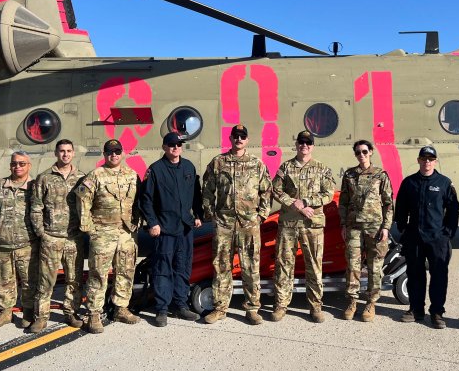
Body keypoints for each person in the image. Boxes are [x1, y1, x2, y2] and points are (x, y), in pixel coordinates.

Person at [201, 124, 272, 325]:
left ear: (247, 140)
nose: (239, 139)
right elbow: (207, 190)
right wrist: (210, 214)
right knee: (221, 265)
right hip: (224, 223)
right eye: (236, 136)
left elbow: (266, 190)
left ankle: (252, 308)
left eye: (243, 136)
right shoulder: (218, 163)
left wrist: (262, 215)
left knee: (251, 265)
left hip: (249, 223)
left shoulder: (256, 164)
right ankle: (220, 308)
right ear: (230, 139)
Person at [77, 139, 142, 333]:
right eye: (110, 152)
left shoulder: (132, 175)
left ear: (122, 153)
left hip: (126, 233)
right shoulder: (94, 175)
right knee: (98, 273)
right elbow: (82, 200)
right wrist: (88, 228)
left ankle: (121, 308)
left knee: (126, 270)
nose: (114, 155)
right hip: (103, 232)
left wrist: (137, 223)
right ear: (104, 155)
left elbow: (139, 201)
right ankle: (94, 313)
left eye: (117, 151)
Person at [139, 132, 203, 327]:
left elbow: (196, 194)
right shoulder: (155, 170)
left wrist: (198, 215)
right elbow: (146, 200)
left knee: (183, 267)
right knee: (162, 269)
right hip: (165, 228)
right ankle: (162, 309)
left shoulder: (188, 167)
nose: (176, 148)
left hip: (184, 227)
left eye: (179, 144)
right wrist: (152, 223)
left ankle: (181, 305)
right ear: (165, 147)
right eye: (172, 145)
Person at [271, 131, 335, 323]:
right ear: (296, 144)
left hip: (312, 224)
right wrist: (293, 203)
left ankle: (315, 306)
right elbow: (275, 189)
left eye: (308, 143)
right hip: (289, 224)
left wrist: (306, 202)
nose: (304, 145)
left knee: (314, 264)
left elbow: (328, 194)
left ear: (312, 146)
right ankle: (281, 304)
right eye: (301, 142)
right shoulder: (286, 167)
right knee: (284, 264)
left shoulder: (322, 169)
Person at [394, 145, 459, 328]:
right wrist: (402, 227)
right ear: (418, 160)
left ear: (435, 161)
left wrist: (448, 233)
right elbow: (401, 206)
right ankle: (416, 309)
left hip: (437, 237)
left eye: (430, 159)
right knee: (415, 273)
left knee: (439, 274)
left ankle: (437, 312)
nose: (427, 162)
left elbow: (453, 209)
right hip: (414, 236)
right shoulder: (409, 182)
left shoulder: (444, 183)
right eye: (424, 159)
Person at [28, 139, 86, 333]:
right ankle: (41, 317)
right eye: (62, 151)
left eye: (69, 151)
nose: (65, 154)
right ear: (56, 153)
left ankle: (71, 312)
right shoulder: (44, 178)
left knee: (74, 279)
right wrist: (41, 233)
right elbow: (36, 208)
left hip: (73, 237)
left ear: (73, 153)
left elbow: (87, 205)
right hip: (51, 237)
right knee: (46, 279)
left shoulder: (82, 177)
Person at [338, 140, 393, 322]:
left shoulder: (380, 175)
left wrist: (386, 227)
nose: (361, 155)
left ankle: (371, 303)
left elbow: (388, 203)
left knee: (374, 266)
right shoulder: (349, 175)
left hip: (374, 228)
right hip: (353, 227)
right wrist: (343, 224)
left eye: (364, 151)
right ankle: (352, 301)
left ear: (371, 152)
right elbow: (343, 202)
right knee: (353, 265)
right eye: (357, 152)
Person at [0, 151, 39, 329]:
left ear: (29, 166)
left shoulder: (36, 187)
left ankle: (28, 312)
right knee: (4, 279)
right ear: (10, 166)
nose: (18, 167)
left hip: (27, 244)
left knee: (30, 280)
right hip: (4, 244)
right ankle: (6, 312)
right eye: (14, 163)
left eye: (22, 163)